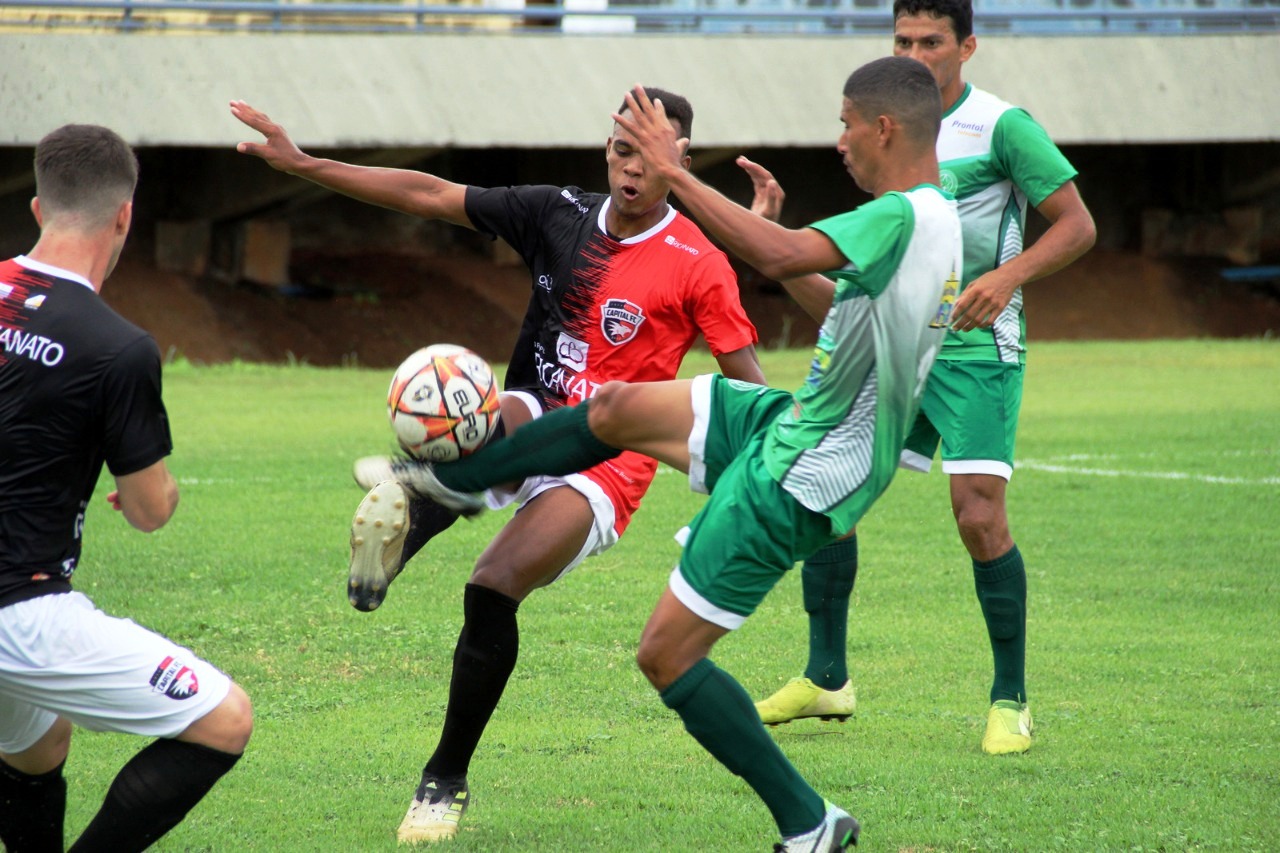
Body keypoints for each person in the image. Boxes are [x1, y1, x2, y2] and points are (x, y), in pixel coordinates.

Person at [356, 56, 962, 850]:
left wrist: (695, 184)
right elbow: (836, 295)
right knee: (612, 406)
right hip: (793, 418)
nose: (839, 140)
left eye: (846, 125)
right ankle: (441, 484)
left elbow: (781, 264)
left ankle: (809, 821)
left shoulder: (896, 216)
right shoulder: (939, 218)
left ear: (884, 127)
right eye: (625, 146)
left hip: (803, 462)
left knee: (666, 655)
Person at [231, 88, 765, 843]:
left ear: (681, 160)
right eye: (621, 149)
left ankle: (444, 778)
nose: (632, 167)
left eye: (652, 154)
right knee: (484, 415)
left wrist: (761, 482)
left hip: (607, 465)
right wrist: (301, 162)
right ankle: (405, 530)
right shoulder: (559, 213)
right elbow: (428, 192)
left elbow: (750, 392)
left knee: (490, 588)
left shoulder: (699, 263)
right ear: (605, 150)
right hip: (530, 412)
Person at [750, 0, 1097, 754]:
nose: (914, 52)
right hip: (903, 332)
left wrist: (1006, 278)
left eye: (931, 40)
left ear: (966, 46)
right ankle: (826, 676)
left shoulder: (1003, 126)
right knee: (825, 485)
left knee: (978, 516)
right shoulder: (890, 126)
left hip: (976, 341)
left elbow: (1077, 225)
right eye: (902, 38)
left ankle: (1010, 699)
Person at [0, 124, 254, 852]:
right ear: (124, 216)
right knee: (226, 718)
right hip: (21, 609)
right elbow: (148, 510)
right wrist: (147, 487)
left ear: (39, 208)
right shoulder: (118, 347)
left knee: (38, 744)